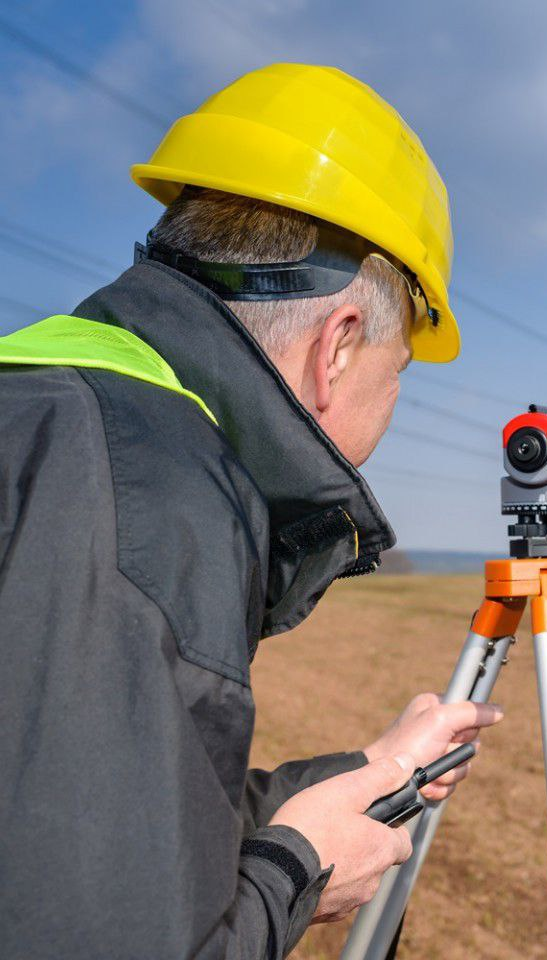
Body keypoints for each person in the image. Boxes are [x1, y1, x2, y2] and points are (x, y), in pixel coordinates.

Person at [0, 64, 503, 959]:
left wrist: (372, 776)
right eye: (401, 380)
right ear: (340, 347)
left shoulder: (52, 412)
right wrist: (296, 874)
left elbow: (87, 823)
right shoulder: (149, 503)